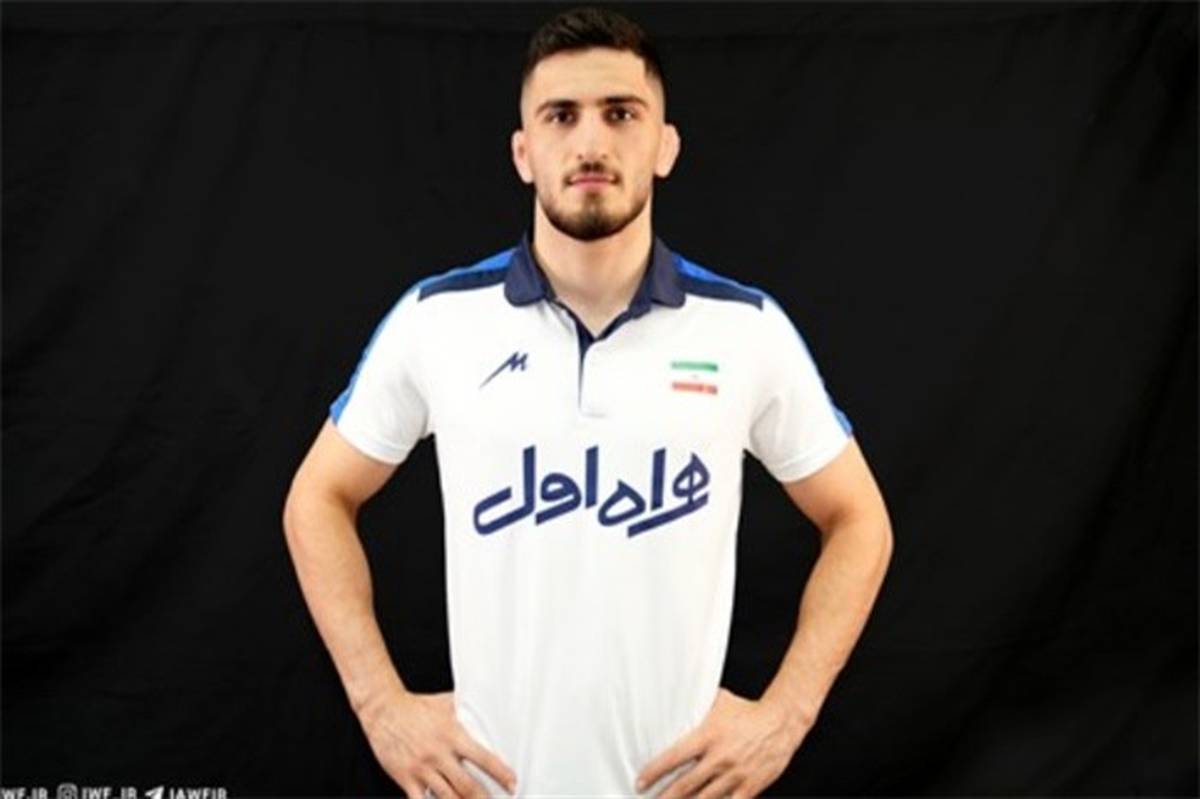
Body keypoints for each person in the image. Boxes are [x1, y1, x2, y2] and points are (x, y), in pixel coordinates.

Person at [282, 6, 893, 798]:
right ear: (523, 152)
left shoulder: (746, 329)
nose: (592, 143)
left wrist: (786, 714)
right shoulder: (437, 320)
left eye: (621, 114)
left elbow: (859, 519)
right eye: (561, 116)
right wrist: (379, 704)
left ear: (665, 145)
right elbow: (316, 499)